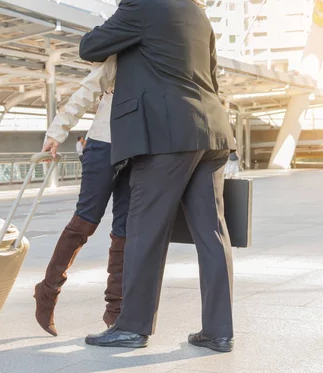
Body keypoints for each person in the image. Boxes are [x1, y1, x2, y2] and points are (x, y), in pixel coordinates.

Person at [80, 0, 237, 352]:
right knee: (212, 235)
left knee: (144, 230)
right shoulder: (198, 13)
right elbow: (212, 76)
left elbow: (89, 47)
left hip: (166, 135)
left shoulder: (140, 5)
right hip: (210, 131)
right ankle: (219, 330)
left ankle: (132, 327)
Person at [34, 55, 130, 336]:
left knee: (125, 230)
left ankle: (115, 312)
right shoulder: (120, 56)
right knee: (85, 222)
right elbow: (88, 90)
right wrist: (57, 132)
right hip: (103, 145)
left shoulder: (159, 53)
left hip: (137, 150)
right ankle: (47, 291)